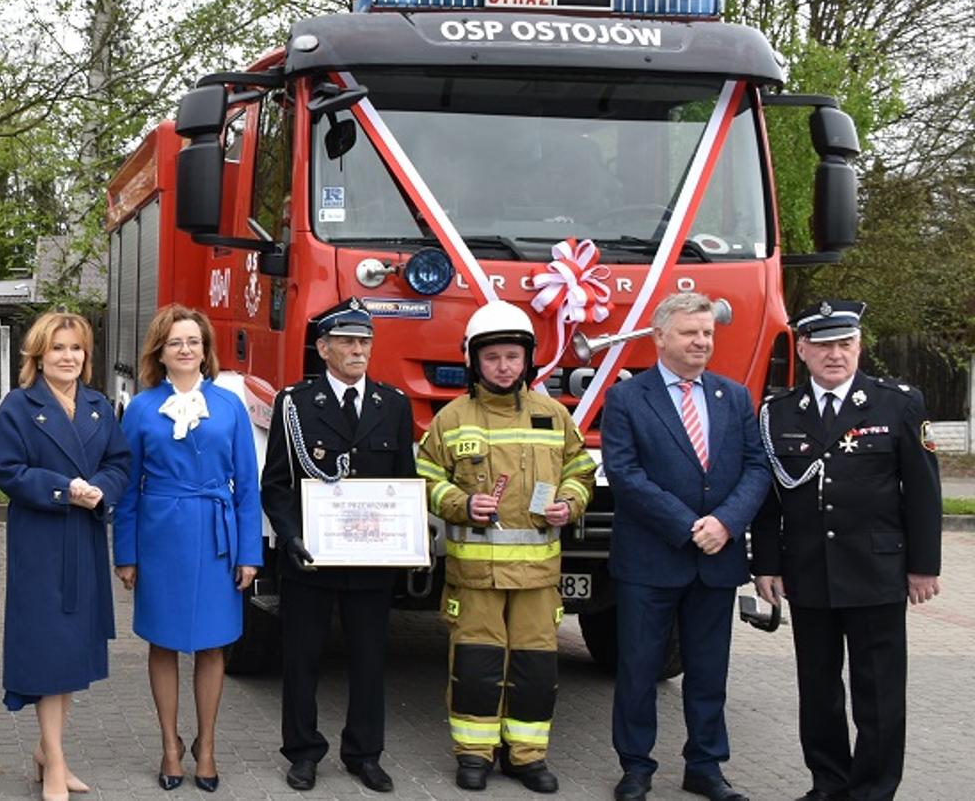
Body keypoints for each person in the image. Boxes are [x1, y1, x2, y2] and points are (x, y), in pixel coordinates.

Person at [751, 300, 942, 801]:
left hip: (877, 570)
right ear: (804, 349)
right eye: (824, 345)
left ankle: (874, 790)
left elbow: (923, 492)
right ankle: (829, 784)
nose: (835, 355)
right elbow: (768, 499)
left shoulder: (898, 404)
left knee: (877, 691)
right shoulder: (778, 412)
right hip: (808, 571)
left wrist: (923, 567)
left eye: (845, 344)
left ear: (858, 346)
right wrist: (766, 563)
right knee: (818, 690)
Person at [415, 300, 593, 795]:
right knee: (476, 666)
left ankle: (527, 756)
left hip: (538, 577)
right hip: (476, 577)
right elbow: (426, 476)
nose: (503, 366)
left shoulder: (553, 415)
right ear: (474, 360)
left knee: (536, 668)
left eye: (512, 357)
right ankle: (474, 755)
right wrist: (458, 502)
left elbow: (582, 469)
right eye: (492, 357)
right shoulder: (452, 419)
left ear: (527, 360)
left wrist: (569, 503)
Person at [600, 292, 770, 801]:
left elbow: (757, 467)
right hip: (651, 559)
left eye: (707, 334)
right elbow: (625, 475)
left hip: (717, 559)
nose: (701, 342)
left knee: (708, 670)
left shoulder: (734, 396)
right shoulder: (626, 398)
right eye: (690, 333)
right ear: (659, 337)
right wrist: (689, 524)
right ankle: (635, 767)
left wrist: (725, 523)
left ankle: (706, 766)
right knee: (638, 668)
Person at [260, 299, 415, 794]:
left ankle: (365, 753)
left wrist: (404, 542)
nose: (358, 350)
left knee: (370, 660)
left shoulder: (392, 405)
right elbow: (277, 483)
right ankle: (303, 753)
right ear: (323, 348)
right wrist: (289, 537)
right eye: (347, 341)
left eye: (365, 341)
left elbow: (403, 481)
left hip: (371, 560)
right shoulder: (296, 404)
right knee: (302, 659)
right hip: (313, 554)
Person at [113, 304, 263, 794]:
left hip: (217, 537)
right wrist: (126, 553)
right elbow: (127, 486)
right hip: (161, 537)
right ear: (161, 350)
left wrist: (249, 553)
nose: (185, 349)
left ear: (205, 350)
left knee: (214, 644)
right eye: (175, 342)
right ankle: (169, 746)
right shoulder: (140, 408)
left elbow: (247, 489)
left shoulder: (229, 406)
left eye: (193, 342)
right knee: (163, 641)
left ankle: (209, 747)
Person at [0, 311, 130, 801]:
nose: (68, 357)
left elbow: (119, 464)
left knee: (69, 655)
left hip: (85, 543)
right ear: (39, 355)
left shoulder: (98, 406)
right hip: (42, 547)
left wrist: (100, 491)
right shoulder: (18, 407)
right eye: (58, 349)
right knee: (49, 654)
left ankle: (48, 751)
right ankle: (55, 765)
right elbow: (8, 472)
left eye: (76, 349)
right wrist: (61, 489)